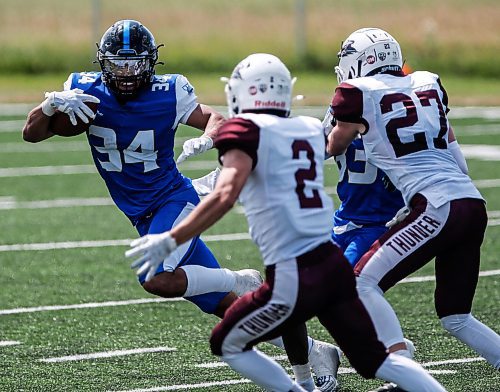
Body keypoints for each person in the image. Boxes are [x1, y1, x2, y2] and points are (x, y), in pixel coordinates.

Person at [21, 20, 340, 391]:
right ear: (102, 63)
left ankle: (240, 278)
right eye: (118, 64)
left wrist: (206, 138)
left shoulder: (168, 91)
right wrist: (48, 106)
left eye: (134, 63)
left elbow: (216, 119)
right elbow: (32, 133)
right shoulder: (84, 90)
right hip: (140, 213)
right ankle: (317, 351)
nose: (125, 73)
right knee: (230, 308)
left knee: (155, 278)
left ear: (150, 63)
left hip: (173, 199)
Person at [126, 52, 446, 392]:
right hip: (332, 263)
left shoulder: (243, 133)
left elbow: (225, 194)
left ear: (240, 92)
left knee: (227, 343)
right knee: (376, 360)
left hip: (293, 273)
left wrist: (172, 238)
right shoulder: (307, 128)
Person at [326, 27, 500, 377]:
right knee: (456, 316)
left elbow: (333, 147)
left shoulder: (356, 92)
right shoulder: (427, 83)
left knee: (358, 283)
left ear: (361, 61)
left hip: (436, 207)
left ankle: (405, 371)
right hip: (471, 203)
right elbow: (460, 163)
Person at [323, 107, 405, 267]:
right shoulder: (395, 104)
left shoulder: (394, 106)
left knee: (346, 280)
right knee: (311, 278)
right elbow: (320, 150)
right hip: (345, 218)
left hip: (379, 223)